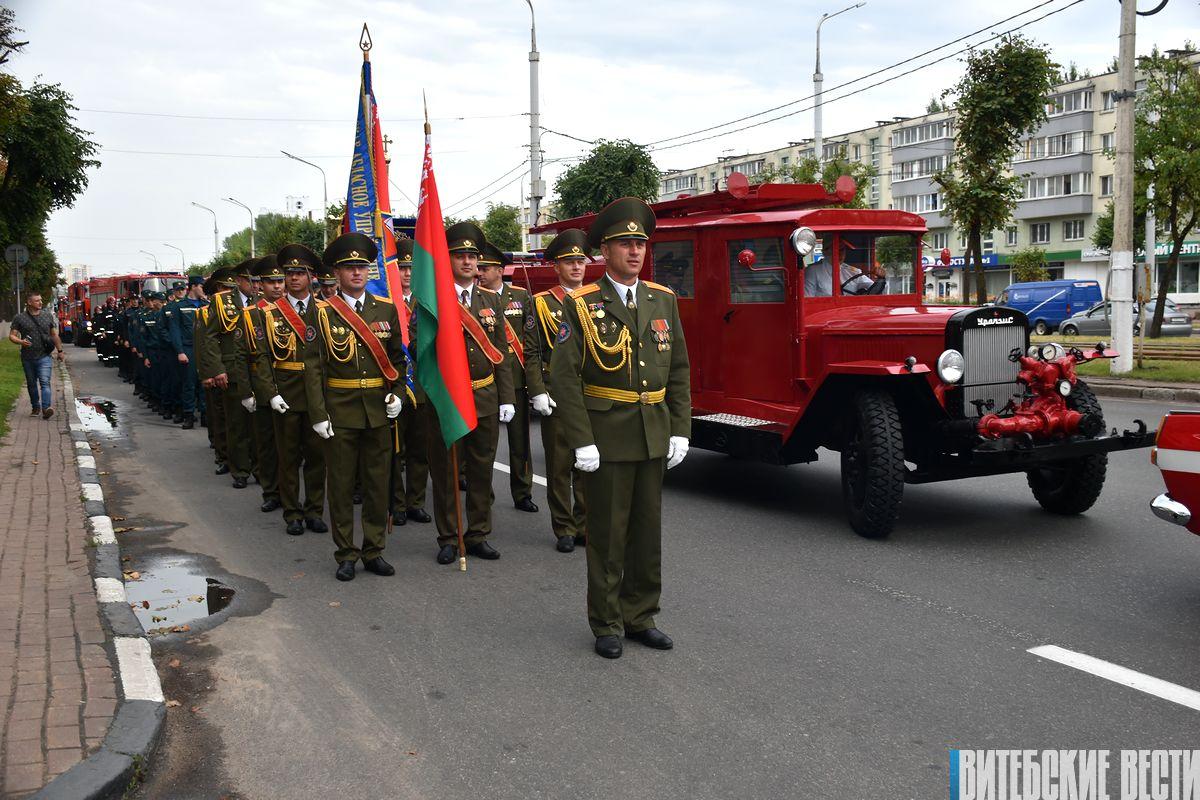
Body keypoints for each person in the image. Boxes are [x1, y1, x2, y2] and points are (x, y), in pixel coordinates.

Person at [549, 197, 692, 660]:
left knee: (647, 535)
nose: (635, 252)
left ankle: (641, 615)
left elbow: (679, 371)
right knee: (608, 536)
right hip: (607, 436)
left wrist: (680, 428)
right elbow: (564, 378)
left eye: (640, 244)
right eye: (625, 244)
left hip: (652, 431)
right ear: (604, 252)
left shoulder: (662, 300)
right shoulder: (584, 304)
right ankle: (607, 621)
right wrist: (581, 439)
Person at [305, 232, 407, 581]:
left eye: (362, 267)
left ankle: (373, 549)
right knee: (343, 486)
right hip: (340, 411)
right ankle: (346, 552)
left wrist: (398, 395)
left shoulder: (387, 309)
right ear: (337, 273)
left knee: (378, 485)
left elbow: (397, 360)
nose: (357, 274)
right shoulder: (321, 313)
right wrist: (319, 415)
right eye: (349, 268)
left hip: (378, 410)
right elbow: (314, 368)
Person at [426, 222, 515, 565]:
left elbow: (501, 352)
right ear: (446, 259)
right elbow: (423, 348)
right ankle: (449, 536)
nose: (466, 262)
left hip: (484, 396)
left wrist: (506, 396)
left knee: (481, 469)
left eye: (472, 256)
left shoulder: (491, 300)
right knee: (446, 473)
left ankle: (477, 533)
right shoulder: (433, 300)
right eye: (459, 255)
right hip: (448, 398)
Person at [251, 243, 328, 536]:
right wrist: (270, 393)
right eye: (289, 273)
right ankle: (292, 512)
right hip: (285, 391)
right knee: (288, 457)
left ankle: (314, 510)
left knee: (318, 457)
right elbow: (261, 357)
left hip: (318, 395)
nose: (294, 279)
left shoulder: (326, 311)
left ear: (311, 277)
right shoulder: (269, 313)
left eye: (300, 273)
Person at [525, 229, 590, 553]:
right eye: (569, 262)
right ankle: (563, 527)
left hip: (589, 394)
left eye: (580, 261)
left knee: (587, 464)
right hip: (556, 395)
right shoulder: (540, 303)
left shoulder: (595, 298)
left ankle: (583, 525)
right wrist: (537, 390)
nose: (577, 267)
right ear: (557, 267)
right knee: (560, 465)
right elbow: (532, 352)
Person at [477, 242, 538, 514]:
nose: (480, 272)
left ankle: (522, 491)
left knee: (520, 442)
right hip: (487, 380)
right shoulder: (473, 298)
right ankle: (482, 494)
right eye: (478, 268)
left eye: (485, 268)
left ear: (500, 270)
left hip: (516, 378)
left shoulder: (521, 296)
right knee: (485, 445)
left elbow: (530, 336)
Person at [390, 239, 432, 526]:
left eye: (411, 268)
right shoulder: (384, 300)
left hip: (421, 385)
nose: (407, 273)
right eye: (402, 268)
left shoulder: (426, 300)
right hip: (394, 385)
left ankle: (415, 501)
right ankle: (396, 502)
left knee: (420, 448)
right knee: (395, 449)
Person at [204, 260, 255, 489]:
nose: (254, 285)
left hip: (258, 371)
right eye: (249, 280)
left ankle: (260, 468)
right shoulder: (221, 301)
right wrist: (218, 369)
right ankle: (241, 470)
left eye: (256, 280)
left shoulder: (264, 301)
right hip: (232, 370)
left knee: (259, 426)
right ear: (238, 281)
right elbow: (211, 337)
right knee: (237, 424)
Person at [239, 255, 283, 513]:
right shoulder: (251, 314)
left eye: (280, 281)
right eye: (271, 282)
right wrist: (247, 391)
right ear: (260, 285)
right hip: (261, 386)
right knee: (266, 444)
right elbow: (241, 355)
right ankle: (271, 492)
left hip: (292, 386)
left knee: (292, 448)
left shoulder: (299, 310)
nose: (277, 286)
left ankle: (290, 495)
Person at [9, 292, 65, 418]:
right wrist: (20, 341)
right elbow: (12, 336)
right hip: (27, 357)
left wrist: (60, 351)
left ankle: (46, 408)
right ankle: (35, 407)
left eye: (41, 300)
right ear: (29, 302)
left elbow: (54, 335)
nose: (40, 302)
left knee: (45, 382)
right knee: (31, 384)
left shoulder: (47, 316)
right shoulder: (19, 318)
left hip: (44, 356)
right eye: (37, 300)